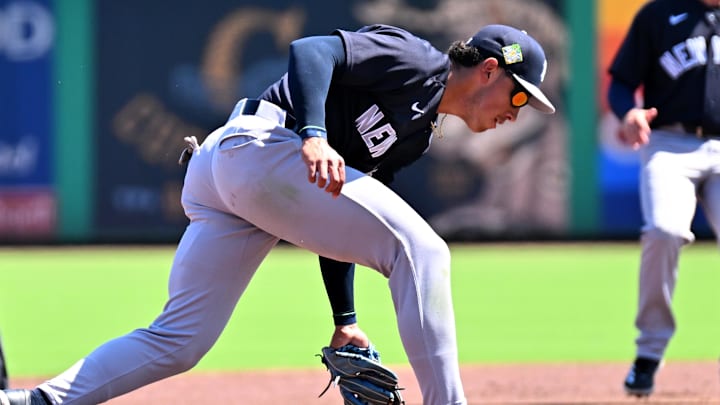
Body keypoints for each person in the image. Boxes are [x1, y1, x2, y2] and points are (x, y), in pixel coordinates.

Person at [0, 23, 554, 405]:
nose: (518, 111)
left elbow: (338, 217)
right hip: (261, 148)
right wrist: (313, 134)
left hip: (240, 180)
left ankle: (33, 399)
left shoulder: (415, 137)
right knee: (424, 250)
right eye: (521, 96)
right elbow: (313, 50)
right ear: (487, 71)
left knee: (179, 340)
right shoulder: (416, 60)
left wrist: (346, 322)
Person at [607, 0, 720, 397]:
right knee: (663, 230)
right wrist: (628, 113)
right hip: (670, 144)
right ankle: (649, 351)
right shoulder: (659, 14)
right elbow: (621, 82)